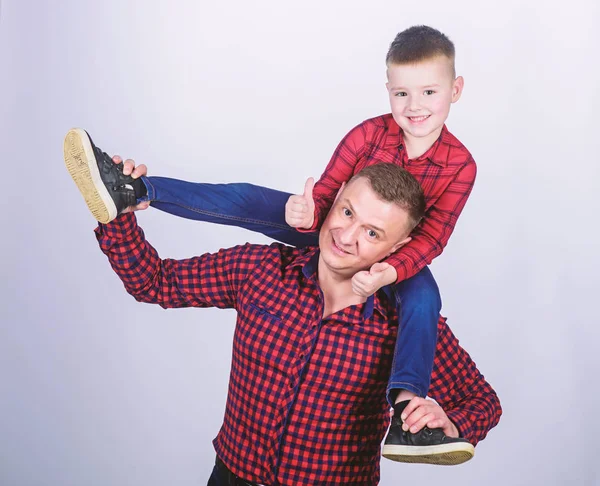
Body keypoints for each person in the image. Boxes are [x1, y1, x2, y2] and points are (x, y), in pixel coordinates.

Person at [63, 25, 477, 463]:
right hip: (318, 224)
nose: (414, 108)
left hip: (404, 264)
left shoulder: (460, 167)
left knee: (424, 297)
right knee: (246, 198)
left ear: (455, 90)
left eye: (429, 92)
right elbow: (328, 191)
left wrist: (393, 271)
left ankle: (405, 411)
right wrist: (310, 211)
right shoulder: (363, 138)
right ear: (388, 90)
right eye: (402, 94)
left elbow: (433, 237)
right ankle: (136, 190)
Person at [64, 130, 501, 484]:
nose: (346, 237)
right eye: (347, 213)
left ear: (400, 247)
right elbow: (154, 281)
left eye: (372, 233)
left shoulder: (407, 325)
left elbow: (483, 402)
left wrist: (450, 421)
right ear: (338, 195)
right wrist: (116, 212)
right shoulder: (259, 270)